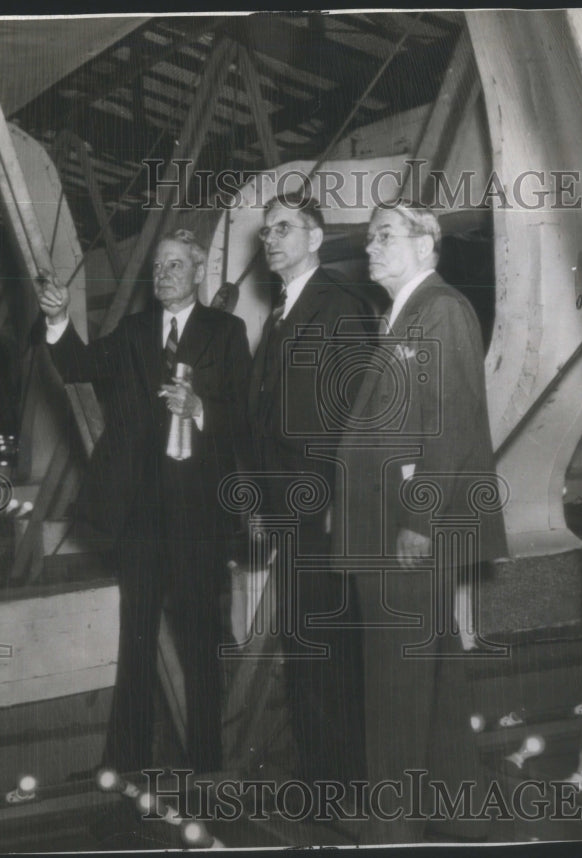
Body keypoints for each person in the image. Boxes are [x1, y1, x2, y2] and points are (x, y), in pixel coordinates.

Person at [36, 228, 252, 775]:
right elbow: (76, 365)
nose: (163, 275)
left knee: (202, 643)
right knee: (136, 642)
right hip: (142, 521)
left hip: (201, 518)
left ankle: (206, 766)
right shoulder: (133, 333)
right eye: (158, 267)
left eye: (175, 266)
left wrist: (201, 406)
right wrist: (59, 319)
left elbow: (246, 418)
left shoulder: (227, 333)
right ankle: (128, 763)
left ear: (198, 273)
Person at [333, 201, 508, 843]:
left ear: (425, 244)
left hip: (404, 533)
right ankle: (458, 809)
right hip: (388, 528)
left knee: (395, 683)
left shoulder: (442, 311)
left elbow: (451, 423)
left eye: (385, 236)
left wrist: (419, 521)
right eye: (370, 238)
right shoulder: (402, 317)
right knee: (430, 674)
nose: (370, 248)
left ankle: (392, 827)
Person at [247, 194, 372, 787]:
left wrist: (335, 505)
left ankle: (339, 780)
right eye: (267, 230)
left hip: (322, 509)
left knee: (327, 646)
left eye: (284, 228)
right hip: (289, 512)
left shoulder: (339, 306)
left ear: (316, 238)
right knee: (306, 644)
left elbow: (360, 417)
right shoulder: (281, 314)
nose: (271, 239)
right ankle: (322, 771)